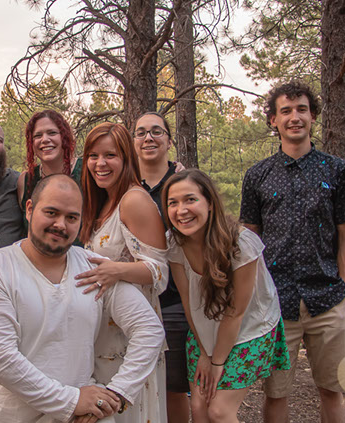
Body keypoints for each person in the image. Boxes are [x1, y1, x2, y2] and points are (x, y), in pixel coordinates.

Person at [0, 174, 165, 422]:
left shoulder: (93, 267)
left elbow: (149, 329)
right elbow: (1, 359)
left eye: (71, 217)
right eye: (51, 213)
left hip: (82, 416)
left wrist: (118, 392)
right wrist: (71, 401)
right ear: (29, 209)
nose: (61, 225)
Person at [239, 81, 345, 423]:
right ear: (273, 120)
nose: (295, 117)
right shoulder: (258, 175)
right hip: (276, 302)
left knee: (332, 389)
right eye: (286, 111)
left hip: (328, 298)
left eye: (302, 110)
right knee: (276, 392)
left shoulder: (337, 170)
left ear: (313, 116)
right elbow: (249, 239)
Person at [163, 169, 290, 422]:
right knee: (199, 408)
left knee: (219, 411)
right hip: (204, 330)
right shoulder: (174, 242)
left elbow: (237, 312)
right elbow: (188, 302)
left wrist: (216, 362)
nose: (181, 210)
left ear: (209, 202)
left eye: (190, 199)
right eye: (172, 203)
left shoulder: (241, 243)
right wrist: (204, 352)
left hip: (249, 329)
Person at [76, 122, 169, 423]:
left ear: (126, 158)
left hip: (131, 338)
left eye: (110, 155)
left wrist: (115, 270)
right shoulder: (102, 202)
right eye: (93, 156)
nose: (100, 164)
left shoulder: (134, 200)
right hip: (103, 334)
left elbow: (160, 271)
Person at [132, 111, 190, 422]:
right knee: (135, 385)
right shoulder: (126, 185)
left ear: (169, 140)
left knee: (174, 387)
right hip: (133, 300)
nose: (148, 138)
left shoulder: (182, 183)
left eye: (156, 132)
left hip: (175, 301)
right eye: (141, 133)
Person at [17, 109, 81, 209]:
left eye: (52, 133)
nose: (45, 140)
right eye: (38, 135)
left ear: (64, 136)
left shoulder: (85, 171)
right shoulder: (26, 180)